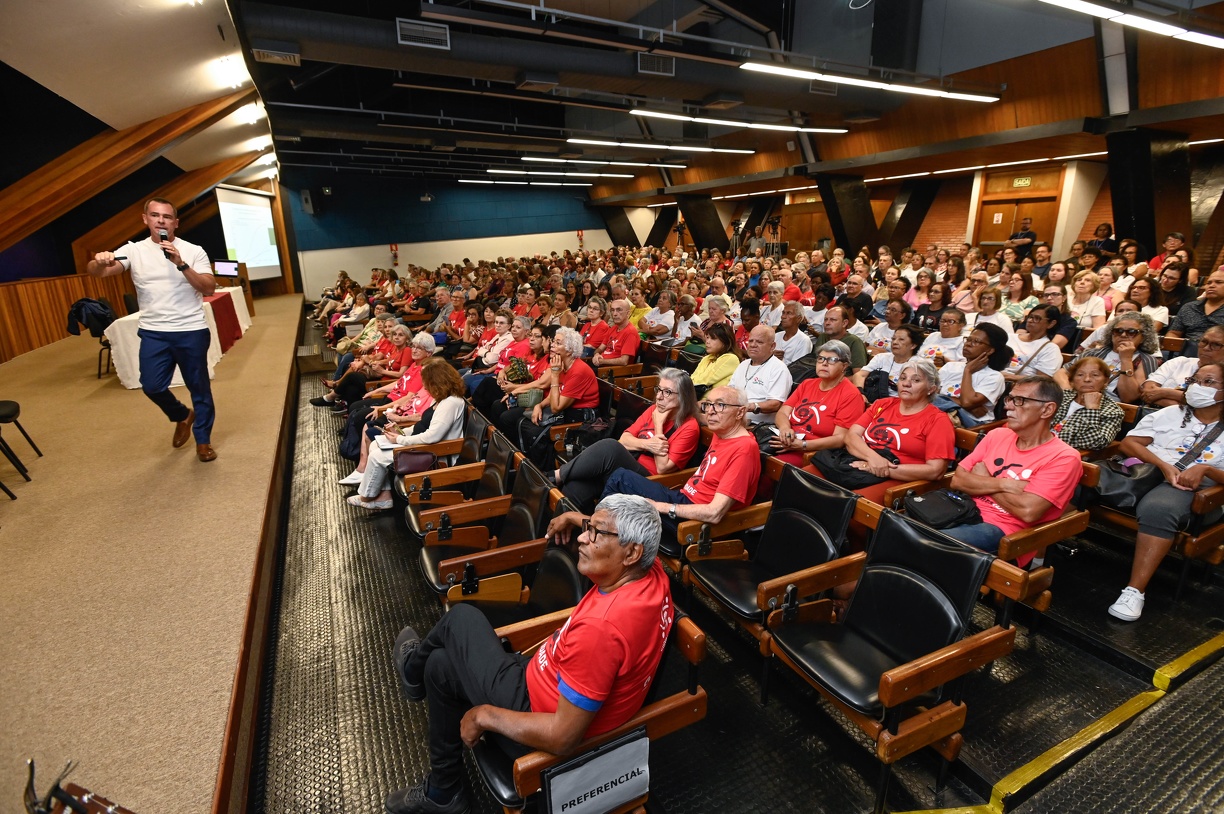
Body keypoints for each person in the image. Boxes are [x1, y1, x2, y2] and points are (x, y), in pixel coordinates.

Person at [385, 494, 673, 814]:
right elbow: (620, 532)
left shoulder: (602, 631)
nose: (582, 538)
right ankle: (444, 791)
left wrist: (484, 715)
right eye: (588, 527)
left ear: (631, 553)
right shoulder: (652, 571)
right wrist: (574, 518)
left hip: (537, 717)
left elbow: (563, 738)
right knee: (439, 667)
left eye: (596, 533)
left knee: (461, 618)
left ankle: (411, 669)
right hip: (545, 680)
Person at [85, 198, 219, 462]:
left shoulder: (193, 250)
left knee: (199, 388)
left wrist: (181, 263)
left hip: (191, 330)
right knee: (151, 386)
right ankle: (182, 415)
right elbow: (98, 272)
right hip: (154, 332)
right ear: (145, 219)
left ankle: (203, 441)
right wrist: (99, 261)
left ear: (175, 223)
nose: (161, 221)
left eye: (167, 217)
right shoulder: (133, 250)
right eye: (155, 215)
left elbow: (208, 288)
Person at [1107, 363, 1224, 621]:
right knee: (1081, 476)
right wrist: (1162, 465)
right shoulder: (1172, 413)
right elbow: (1129, 443)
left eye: (1208, 382)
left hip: (1198, 490)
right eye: (1195, 380)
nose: (1197, 386)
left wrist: (1206, 469)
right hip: (1149, 473)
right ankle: (1035, 559)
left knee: (1159, 508)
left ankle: (1135, 591)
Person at [943, 376, 1083, 559]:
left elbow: (1028, 511)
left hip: (1005, 534)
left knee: (933, 541)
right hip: (961, 510)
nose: (1008, 406)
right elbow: (958, 480)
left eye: (1020, 400)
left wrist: (985, 480)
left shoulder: (1064, 457)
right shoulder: (997, 435)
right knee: (908, 527)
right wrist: (1005, 484)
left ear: (1047, 409)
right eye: (1010, 399)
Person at [600, 385, 761, 530]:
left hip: (693, 520)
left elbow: (715, 513)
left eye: (720, 405)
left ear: (740, 412)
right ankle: (604, 533)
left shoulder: (744, 449)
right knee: (615, 477)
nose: (710, 411)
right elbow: (694, 413)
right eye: (708, 404)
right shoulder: (723, 432)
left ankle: (600, 532)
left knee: (619, 479)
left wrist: (661, 506)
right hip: (682, 497)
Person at [806, 359, 955, 506]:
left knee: (847, 503)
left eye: (916, 380)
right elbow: (851, 436)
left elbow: (935, 471)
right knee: (803, 479)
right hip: (857, 463)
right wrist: (873, 459)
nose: (906, 383)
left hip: (898, 477)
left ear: (931, 389)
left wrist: (881, 468)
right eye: (903, 378)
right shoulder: (883, 404)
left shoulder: (938, 420)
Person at [556, 369, 701, 513]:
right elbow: (624, 440)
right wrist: (648, 445)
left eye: (667, 392)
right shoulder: (653, 410)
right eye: (659, 390)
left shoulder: (689, 427)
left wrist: (658, 426)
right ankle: (571, 525)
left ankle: (556, 475)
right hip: (626, 464)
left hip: (650, 480)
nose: (659, 397)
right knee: (574, 488)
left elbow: (662, 468)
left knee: (611, 447)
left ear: (683, 397)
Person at [347, 361, 467, 511]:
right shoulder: (440, 398)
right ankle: (384, 496)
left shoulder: (451, 403)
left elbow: (432, 437)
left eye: (427, 383)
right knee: (376, 444)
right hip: (423, 444)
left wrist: (399, 439)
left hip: (435, 453)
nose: (425, 387)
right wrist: (400, 431)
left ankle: (366, 496)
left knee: (378, 456)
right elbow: (422, 425)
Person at [771, 340, 865, 466]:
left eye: (832, 360)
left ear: (844, 366)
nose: (824, 363)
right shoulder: (807, 384)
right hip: (785, 441)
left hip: (813, 453)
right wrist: (785, 429)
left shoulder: (851, 395)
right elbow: (783, 412)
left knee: (763, 462)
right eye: (821, 358)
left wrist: (803, 445)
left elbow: (840, 439)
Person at [1054, 313, 1160, 403]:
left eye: (1131, 332)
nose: (1123, 335)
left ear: (1143, 337)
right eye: (1118, 331)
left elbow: (1129, 397)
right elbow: (1061, 373)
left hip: (1111, 408)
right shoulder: (1094, 353)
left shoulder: (1147, 360)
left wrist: (1126, 359)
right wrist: (1070, 394)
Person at [935, 323, 1011, 427]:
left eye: (976, 341)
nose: (968, 344)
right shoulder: (950, 366)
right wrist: (972, 407)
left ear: (990, 350)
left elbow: (967, 402)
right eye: (968, 339)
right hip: (942, 414)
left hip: (972, 423)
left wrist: (968, 370)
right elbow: (929, 393)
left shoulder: (994, 376)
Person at [1048, 356, 1125, 452]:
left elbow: (1095, 443)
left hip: (1064, 453)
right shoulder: (1061, 396)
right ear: (1071, 380)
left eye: (1095, 375)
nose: (1087, 379)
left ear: (1105, 382)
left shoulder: (1113, 411)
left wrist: (1092, 410)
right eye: (1080, 375)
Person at [1141, 325, 1224, 408]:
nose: (1206, 348)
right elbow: (1147, 390)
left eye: (1216, 345)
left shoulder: (1221, 375)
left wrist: (1165, 393)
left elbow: (1206, 403)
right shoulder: (1179, 362)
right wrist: (1183, 404)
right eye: (1204, 342)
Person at [729, 326, 793, 426]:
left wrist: (752, 406)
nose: (753, 345)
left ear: (772, 346)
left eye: (759, 342)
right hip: (733, 418)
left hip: (757, 425)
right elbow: (730, 390)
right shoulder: (743, 364)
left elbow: (775, 404)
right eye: (751, 341)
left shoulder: (779, 369)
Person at [853, 324, 922, 399]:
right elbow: (860, 375)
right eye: (893, 339)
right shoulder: (881, 357)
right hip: (875, 400)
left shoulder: (920, 364)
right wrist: (861, 394)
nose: (895, 342)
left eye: (901, 339)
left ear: (913, 345)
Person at [1167, 268, 1224, 353]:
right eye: (1209, 283)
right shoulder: (1190, 307)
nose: (1211, 286)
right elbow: (1174, 333)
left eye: (1218, 282)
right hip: (1186, 351)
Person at [1006, 306, 1065, 379]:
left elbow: (1042, 380)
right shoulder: (1008, 337)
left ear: (1051, 324)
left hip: (1018, 384)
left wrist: (1008, 376)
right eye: (1030, 317)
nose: (1030, 320)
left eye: (1037, 318)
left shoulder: (1050, 349)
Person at [811, 305, 869, 370]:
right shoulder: (822, 336)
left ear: (844, 323)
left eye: (833, 320)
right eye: (825, 319)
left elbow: (858, 374)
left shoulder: (855, 342)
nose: (827, 323)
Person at [691, 322, 741, 397]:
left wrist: (688, 385)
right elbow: (693, 377)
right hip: (697, 397)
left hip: (715, 401)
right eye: (707, 337)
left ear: (725, 341)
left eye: (713, 338)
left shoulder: (731, 358)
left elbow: (705, 381)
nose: (707, 342)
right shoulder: (707, 358)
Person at [591, 299, 640, 368]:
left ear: (628, 313)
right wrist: (596, 355)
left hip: (613, 370)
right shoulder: (613, 328)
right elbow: (600, 349)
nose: (615, 314)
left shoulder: (630, 332)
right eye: (612, 310)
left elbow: (624, 361)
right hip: (600, 365)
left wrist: (601, 361)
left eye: (619, 310)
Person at [774, 300, 814, 365]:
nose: (783, 316)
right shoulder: (776, 336)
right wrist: (771, 356)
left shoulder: (804, 340)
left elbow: (797, 368)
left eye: (789, 313)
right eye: (783, 313)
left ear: (798, 319)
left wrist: (773, 359)